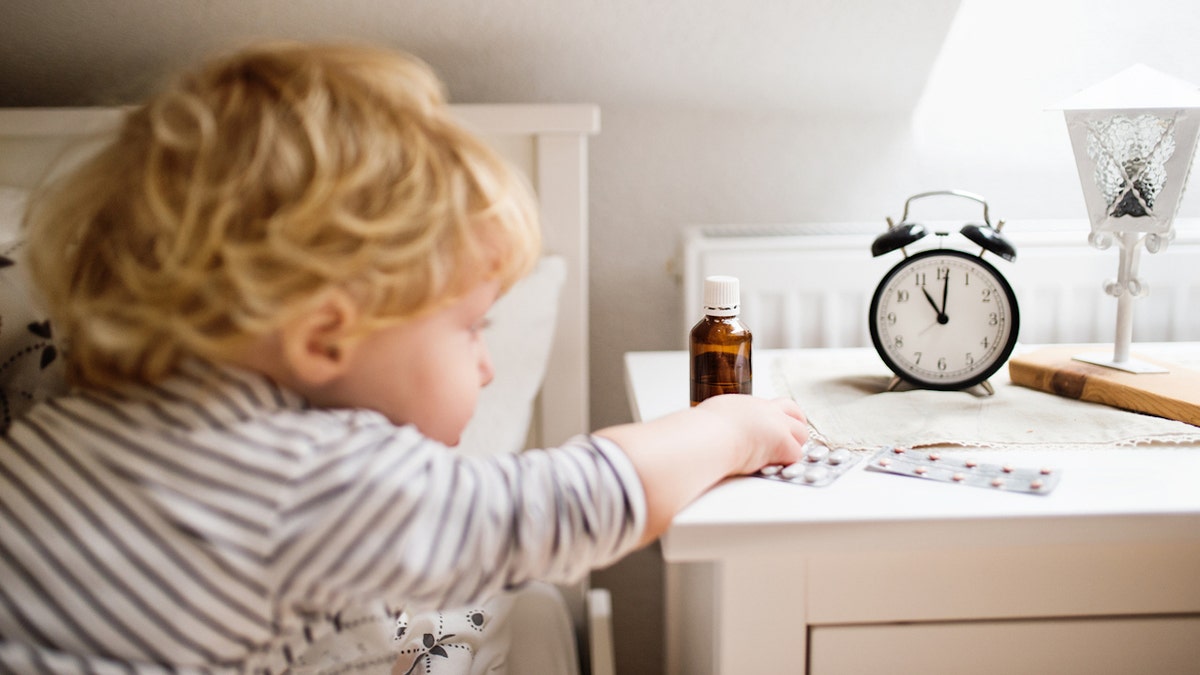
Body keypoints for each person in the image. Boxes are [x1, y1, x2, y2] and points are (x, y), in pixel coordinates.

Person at [0, 41, 809, 673]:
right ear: (325, 336)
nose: (487, 366)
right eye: (470, 328)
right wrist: (735, 424)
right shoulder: (301, 475)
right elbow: (567, 501)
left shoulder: (55, 431)